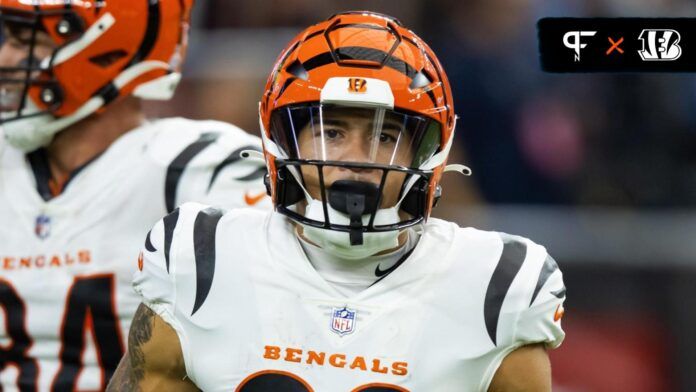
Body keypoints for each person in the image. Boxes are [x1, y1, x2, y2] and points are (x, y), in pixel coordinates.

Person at [111, 11, 566, 391]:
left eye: (385, 136)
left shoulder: (495, 287)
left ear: (427, 155)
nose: (355, 159)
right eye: (331, 133)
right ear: (284, 143)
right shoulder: (201, 260)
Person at [0, 1, 268, 390]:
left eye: (31, 42)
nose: (6, 57)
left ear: (109, 52)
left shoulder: (196, 170)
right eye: (10, 37)